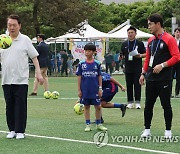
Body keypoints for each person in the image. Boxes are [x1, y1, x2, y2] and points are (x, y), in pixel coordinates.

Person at [0, 14, 44, 139]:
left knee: (20, 105)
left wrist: (38, 73)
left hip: (21, 79)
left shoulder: (25, 40)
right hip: (6, 79)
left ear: (19, 25)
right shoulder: (3, 40)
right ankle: (12, 129)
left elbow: (34, 57)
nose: (12, 27)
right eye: (9, 25)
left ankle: (20, 131)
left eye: (14, 25)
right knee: (9, 105)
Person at [139, 13, 180, 138]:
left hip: (165, 78)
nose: (149, 27)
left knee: (166, 105)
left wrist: (162, 65)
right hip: (151, 78)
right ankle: (147, 129)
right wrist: (143, 73)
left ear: (158, 24)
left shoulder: (169, 38)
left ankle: (168, 131)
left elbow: (177, 57)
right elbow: (147, 59)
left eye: (150, 24)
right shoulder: (151, 40)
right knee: (148, 105)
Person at [76, 43, 107, 132]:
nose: (87, 52)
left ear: (93, 52)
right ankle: (88, 124)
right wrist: (79, 90)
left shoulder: (97, 63)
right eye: (86, 50)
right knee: (86, 107)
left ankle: (99, 124)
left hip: (95, 89)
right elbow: (79, 77)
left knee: (98, 106)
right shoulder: (81, 64)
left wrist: (100, 88)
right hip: (85, 90)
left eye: (89, 51)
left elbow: (99, 76)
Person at [121, 26, 146, 109]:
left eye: (132, 32)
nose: (130, 34)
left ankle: (138, 102)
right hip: (128, 68)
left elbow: (146, 54)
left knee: (137, 85)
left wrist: (140, 55)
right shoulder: (124, 44)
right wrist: (121, 57)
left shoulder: (139, 43)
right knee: (129, 85)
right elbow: (122, 54)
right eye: (129, 33)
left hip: (137, 68)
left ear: (135, 34)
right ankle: (130, 102)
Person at [171, 27, 180, 98]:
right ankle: (169, 93)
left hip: (179, 62)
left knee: (178, 78)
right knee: (170, 77)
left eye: (179, 32)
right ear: (174, 33)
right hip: (172, 61)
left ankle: (177, 93)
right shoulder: (171, 41)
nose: (178, 33)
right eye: (177, 32)